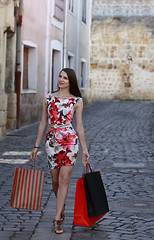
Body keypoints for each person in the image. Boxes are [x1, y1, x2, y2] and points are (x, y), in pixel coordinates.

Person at [31, 68, 89, 234]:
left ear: (71, 81)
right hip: (52, 142)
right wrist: (36, 146)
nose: (61, 80)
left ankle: (57, 218)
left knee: (64, 179)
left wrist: (85, 150)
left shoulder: (77, 100)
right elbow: (43, 123)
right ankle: (61, 206)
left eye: (65, 78)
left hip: (70, 142)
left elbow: (79, 126)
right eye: (60, 76)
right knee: (55, 180)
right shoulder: (48, 98)